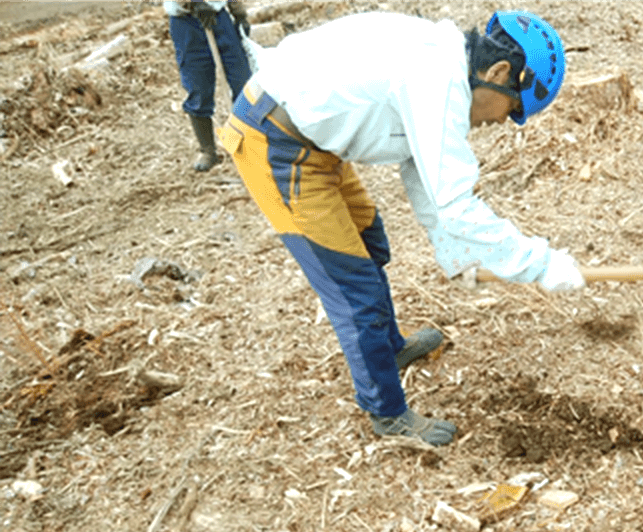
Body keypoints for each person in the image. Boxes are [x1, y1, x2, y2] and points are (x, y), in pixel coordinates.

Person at [218, 10, 585, 448]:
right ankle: (387, 413)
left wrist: (459, 258)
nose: (502, 122)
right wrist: (540, 264)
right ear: (500, 71)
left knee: (371, 244)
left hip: (314, 142)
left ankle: (387, 349)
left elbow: (424, 180)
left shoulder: (443, 66)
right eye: (513, 108)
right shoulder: (435, 79)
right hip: (276, 142)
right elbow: (455, 204)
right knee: (355, 289)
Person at [165, 0, 252, 172]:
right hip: (186, 23)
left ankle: (251, 142)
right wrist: (194, 4)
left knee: (243, 83)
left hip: (220, 18)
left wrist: (239, 13)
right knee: (198, 88)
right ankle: (208, 151)